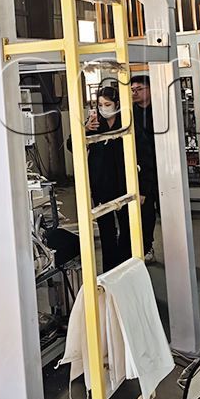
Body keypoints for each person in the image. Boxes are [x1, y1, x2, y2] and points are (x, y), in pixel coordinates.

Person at [70, 85, 129, 272]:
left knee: (128, 228)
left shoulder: (126, 122)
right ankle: (110, 271)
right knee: (106, 230)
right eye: (100, 105)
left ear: (117, 104)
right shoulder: (93, 124)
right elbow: (71, 144)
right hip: (101, 184)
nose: (104, 108)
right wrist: (85, 130)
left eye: (108, 104)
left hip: (124, 183)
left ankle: (126, 267)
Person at [131, 75, 158, 261]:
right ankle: (147, 246)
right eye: (132, 90)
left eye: (139, 89)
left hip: (162, 166)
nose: (134, 93)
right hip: (141, 169)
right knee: (145, 210)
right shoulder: (129, 114)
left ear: (149, 90)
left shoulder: (160, 110)